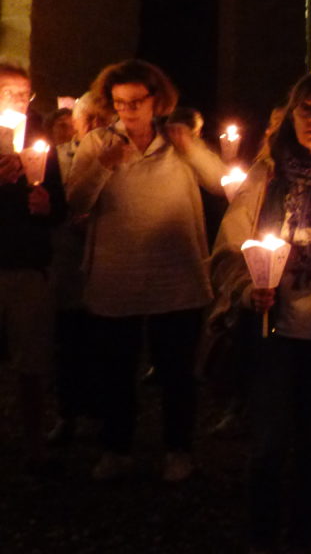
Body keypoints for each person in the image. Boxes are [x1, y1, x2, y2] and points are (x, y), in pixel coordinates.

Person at [208, 73, 311, 552]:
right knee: (270, 444)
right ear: (291, 115)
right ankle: (261, 536)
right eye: (307, 109)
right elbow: (229, 248)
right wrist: (244, 290)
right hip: (273, 330)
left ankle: (302, 536)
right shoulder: (266, 177)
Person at [67, 59, 225, 482]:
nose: (129, 110)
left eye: (137, 101)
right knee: (116, 369)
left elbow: (222, 182)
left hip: (175, 277)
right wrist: (104, 164)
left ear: (157, 100)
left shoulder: (177, 141)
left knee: (176, 371)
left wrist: (192, 149)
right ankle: (117, 448)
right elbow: (76, 204)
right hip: (117, 277)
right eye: (120, 103)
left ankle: (178, 449)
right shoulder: (98, 143)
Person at [0, 61, 67, 470]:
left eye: (24, 94)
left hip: (28, 265)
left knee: (32, 360)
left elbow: (60, 201)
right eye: (8, 93)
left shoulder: (40, 143)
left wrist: (48, 205)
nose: (18, 101)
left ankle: (32, 442)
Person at [47, 91, 112, 445]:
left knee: (104, 345)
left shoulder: (118, 156)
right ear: (79, 123)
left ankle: (99, 411)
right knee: (69, 342)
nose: (99, 127)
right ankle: (68, 412)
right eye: (93, 120)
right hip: (70, 267)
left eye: (105, 120)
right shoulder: (54, 159)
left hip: (107, 265)